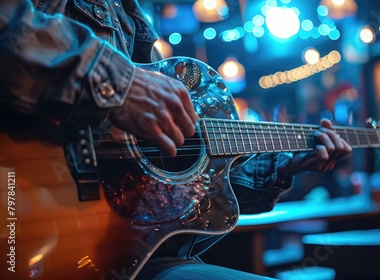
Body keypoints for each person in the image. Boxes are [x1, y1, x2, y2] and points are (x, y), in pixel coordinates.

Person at [0, 1, 352, 279]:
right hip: (38, 216)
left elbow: (180, 189)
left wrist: (283, 166)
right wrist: (122, 87)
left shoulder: (131, 14)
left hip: (118, 250)